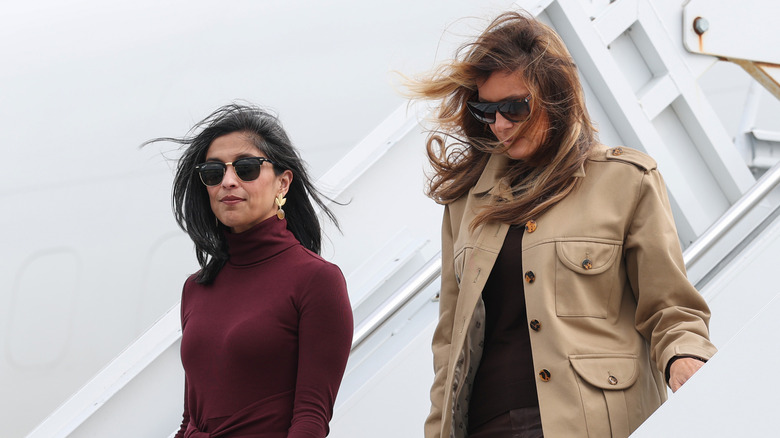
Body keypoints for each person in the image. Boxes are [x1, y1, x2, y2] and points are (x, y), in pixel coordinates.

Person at [406, 11, 717, 438]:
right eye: (486, 110)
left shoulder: (626, 180)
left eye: (514, 107)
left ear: (554, 93)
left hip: (591, 422)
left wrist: (684, 356)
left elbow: (670, 305)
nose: (499, 125)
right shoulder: (463, 206)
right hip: (486, 425)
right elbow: (449, 344)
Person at [147, 103, 353, 438]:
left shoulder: (317, 281)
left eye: (246, 168)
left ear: (283, 183)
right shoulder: (196, 287)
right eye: (214, 173)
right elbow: (191, 418)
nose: (228, 181)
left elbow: (311, 419)